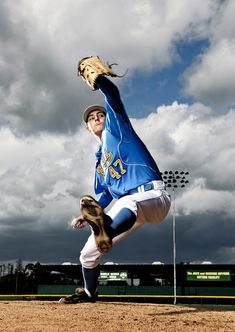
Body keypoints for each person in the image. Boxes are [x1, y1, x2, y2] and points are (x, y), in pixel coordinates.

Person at [59, 57, 171, 304]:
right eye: (91, 118)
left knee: (128, 204)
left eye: (99, 114)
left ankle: (105, 230)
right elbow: (107, 194)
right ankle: (89, 294)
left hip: (153, 196)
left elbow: (113, 95)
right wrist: (87, 215)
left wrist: (99, 80)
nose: (96, 117)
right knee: (87, 254)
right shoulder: (100, 164)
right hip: (129, 208)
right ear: (88, 129)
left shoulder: (117, 128)